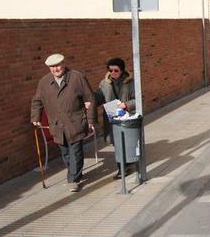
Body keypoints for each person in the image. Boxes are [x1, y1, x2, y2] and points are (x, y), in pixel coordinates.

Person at [31, 54, 95, 192]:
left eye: (58, 65)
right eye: (52, 67)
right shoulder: (44, 82)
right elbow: (37, 100)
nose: (55, 69)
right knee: (65, 152)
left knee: (75, 152)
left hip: (75, 122)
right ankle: (75, 172)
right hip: (57, 125)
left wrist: (90, 120)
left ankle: (73, 179)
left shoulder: (77, 77)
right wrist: (35, 117)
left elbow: (90, 99)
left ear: (63, 64)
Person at [95, 57, 136, 179]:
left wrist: (126, 104)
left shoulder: (131, 82)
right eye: (110, 70)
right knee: (117, 142)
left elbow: (138, 99)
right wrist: (90, 100)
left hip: (126, 117)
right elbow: (99, 97)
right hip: (112, 118)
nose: (113, 73)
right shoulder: (104, 83)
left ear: (122, 70)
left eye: (116, 70)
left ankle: (125, 167)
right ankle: (124, 166)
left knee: (125, 141)